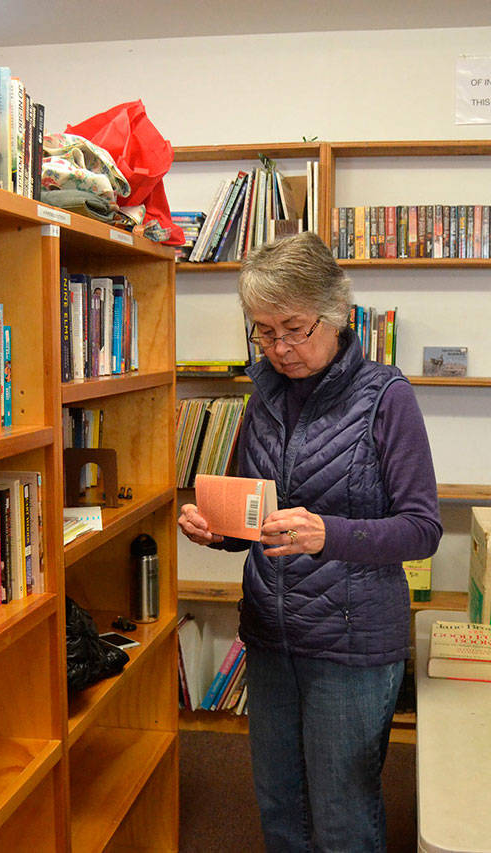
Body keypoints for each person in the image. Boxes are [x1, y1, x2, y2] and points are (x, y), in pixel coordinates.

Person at [179, 232, 442, 851]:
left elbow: (423, 528)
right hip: (271, 635)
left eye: (294, 329)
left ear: (336, 314)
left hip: (351, 641)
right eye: (264, 332)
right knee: (279, 804)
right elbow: (256, 519)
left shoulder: (385, 396)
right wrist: (218, 532)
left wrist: (331, 534)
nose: (279, 348)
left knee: (343, 810)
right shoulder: (263, 393)